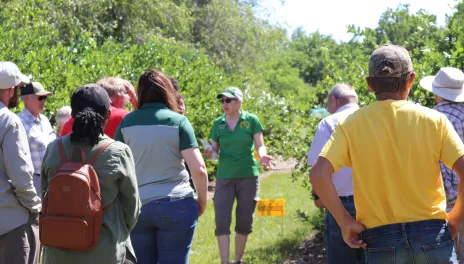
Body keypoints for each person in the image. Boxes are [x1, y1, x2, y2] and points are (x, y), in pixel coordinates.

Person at [310, 45, 464, 263]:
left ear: (370, 84)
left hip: (379, 240)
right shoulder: (434, 120)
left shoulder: (350, 125)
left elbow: (318, 174)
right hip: (433, 235)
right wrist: (456, 219)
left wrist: (345, 222)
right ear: (411, 79)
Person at [115, 70, 208, 264]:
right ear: (167, 91)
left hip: (138, 207)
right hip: (177, 202)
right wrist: (202, 200)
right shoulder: (179, 121)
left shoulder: (127, 122)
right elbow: (199, 168)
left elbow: (116, 166)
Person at [40, 84, 141, 264]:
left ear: (72, 116)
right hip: (105, 251)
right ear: (107, 115)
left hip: (58, 252)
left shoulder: (54, 149)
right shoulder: (118, 152)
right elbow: (131, 208)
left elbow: (45, 196)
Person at [205, 87, 273, 264]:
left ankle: (237, 260)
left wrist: (263, 155)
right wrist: (209, 152)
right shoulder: (217, 124)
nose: (224, 104)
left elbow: (260, 144)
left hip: (248, 175)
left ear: (239, 102)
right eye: (222, 101)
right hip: (225, 176)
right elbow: (214, 152)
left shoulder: (251, 120)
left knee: (244, 221)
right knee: (221, 220)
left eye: (228, 100)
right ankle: (225, 262)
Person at [307, 84, 360, 264]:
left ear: (334, 101)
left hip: (340, 206)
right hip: (376, 203)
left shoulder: (329, 123)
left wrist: (318, 196)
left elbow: (317, 169)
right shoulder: (372, 119)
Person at [420, 67, 464, 263]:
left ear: (437, 94)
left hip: (447, 204)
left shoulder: (431, 120)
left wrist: (450, 207)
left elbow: (440, 167)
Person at [0, 62, 42, 264]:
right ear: (9, 89)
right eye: (18, 87)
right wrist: (35, 206)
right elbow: (21, 175)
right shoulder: (8, 121)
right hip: (10, 221)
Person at [61, 77, 137, 138]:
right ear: (119, 99)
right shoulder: (124, 117)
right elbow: (145, 123)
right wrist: (135, 101)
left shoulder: (70, 122)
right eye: (125, 104)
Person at [18, 82, 56, 194]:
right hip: (35, 183)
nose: (44, 100)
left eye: (45, 97)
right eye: (41, 97)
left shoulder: (44, 120)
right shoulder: (19, 123)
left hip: (52, 180)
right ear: (26, 99)